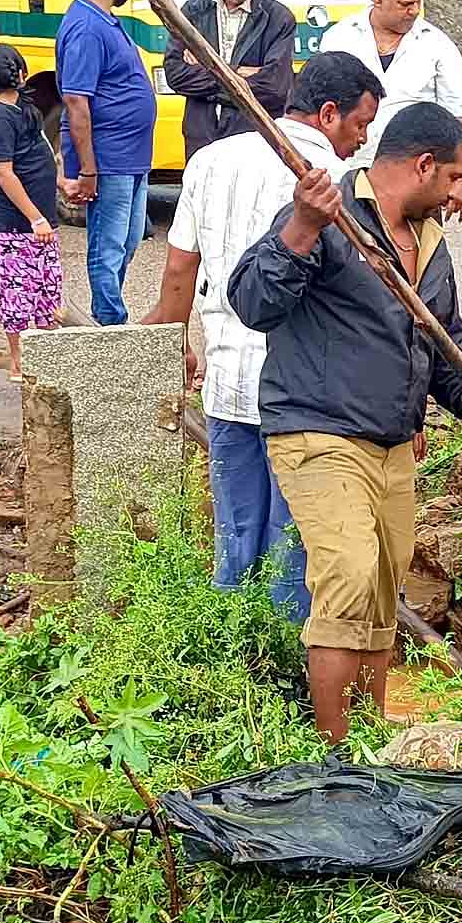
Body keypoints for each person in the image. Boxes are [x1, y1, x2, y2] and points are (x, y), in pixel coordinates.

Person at [227, 102, 462, 743]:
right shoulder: (330, 212)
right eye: (456, 177)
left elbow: (447, 348)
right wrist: (302, 229)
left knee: (379, 592)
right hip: (318, 430)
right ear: (425, 166)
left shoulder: (430, 247)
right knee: (346, 573)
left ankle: (370, 745)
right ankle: (335, 756)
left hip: (393, 445)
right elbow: (252, 301)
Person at [144, 51, 385, 618]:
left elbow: (181, 268)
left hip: (227, 382)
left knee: (235, 538)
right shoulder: (338, 185)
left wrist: (177, 341)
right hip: (301, 399)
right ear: (329, 114)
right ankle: (282, 676)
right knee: (293, 549)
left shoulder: (211, 160)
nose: (361, 138)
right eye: (360, 124)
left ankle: (229, 671)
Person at [56, 0, 158, 326]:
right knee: (108, 245)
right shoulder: (84, 27)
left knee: (129, 241)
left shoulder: (102, 20)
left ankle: (110, 317)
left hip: (132, 156)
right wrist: (88, 169)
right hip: (110, 157)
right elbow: (76, 102)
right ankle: (110, 322)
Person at [319, 0, 462, 180]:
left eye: (418, 2)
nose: (415, 11)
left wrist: (461, 179)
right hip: (347, 172)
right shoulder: (339, 39)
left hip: (417, 179)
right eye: (406, 4)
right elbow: (322, 109)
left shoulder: (438, 45)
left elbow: (456, 119)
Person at [163, 0, 296, 162]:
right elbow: (175, 75)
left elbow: (275, 89)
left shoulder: (279, 19)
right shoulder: (193, 13)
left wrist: (207, 71)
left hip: (253, 145)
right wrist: (237, 74)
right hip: (201, 140)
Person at [0, 43, 64, 381]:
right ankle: (19, 361)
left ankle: (44, 355)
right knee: (19, 290)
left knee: (47, 286)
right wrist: (34, 217)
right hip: (14, 222)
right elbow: (3, 171)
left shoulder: (23, 106)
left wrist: (59, 183)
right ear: (22, 73)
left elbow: (38, 151)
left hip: (39, 219)